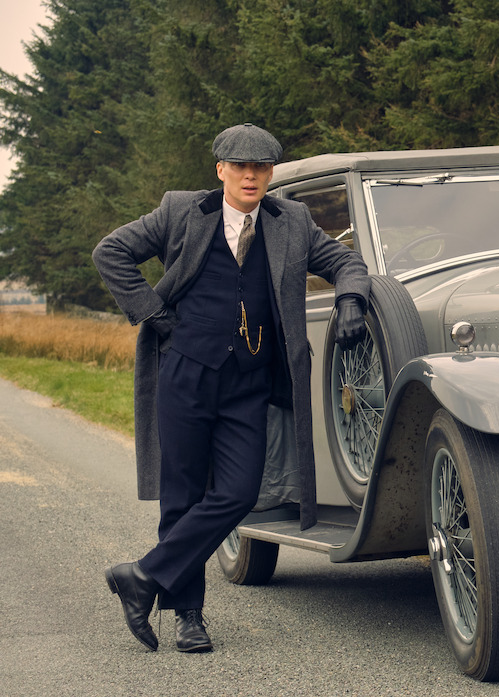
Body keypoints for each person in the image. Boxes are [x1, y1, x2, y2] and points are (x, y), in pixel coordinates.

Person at [93, 123, 370, 652]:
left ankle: (143, 576)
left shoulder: (292, 220)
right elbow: (111, 252)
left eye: (261, 167)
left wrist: (351, 298)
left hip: (249, 382)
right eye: (240, 166)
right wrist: (155, 314)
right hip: (186, 375)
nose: (251, 175)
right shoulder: (180, 212)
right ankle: (188, 617)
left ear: (270, 174)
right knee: (183, 497)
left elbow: (343, 260)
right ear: (220, 169)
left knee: (239, 494)